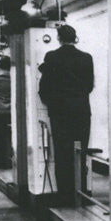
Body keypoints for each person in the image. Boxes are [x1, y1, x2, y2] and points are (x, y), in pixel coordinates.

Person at [38, 24, 94, 205]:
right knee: (80, 151)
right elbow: (89, 85)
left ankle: (65, 195)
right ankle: (81, 192)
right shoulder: (86, 58)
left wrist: (52, 102)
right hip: (81, 111)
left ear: (59, 38)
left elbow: (44, 87)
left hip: (60, 112)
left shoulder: (52, 57)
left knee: (62, 152)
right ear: (75, 37)